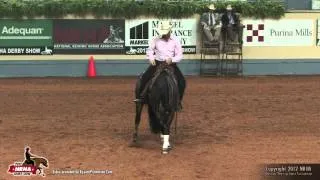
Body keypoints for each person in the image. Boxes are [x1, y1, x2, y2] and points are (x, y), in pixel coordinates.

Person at [134, 20, 186, 111]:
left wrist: (172, 60)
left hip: (171, 64)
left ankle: (178, 101)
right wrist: (151, 58)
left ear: (170, 31)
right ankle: (141, 98)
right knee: (145, 77)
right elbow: (150, 50)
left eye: (166, 33)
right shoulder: (155, 39)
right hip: (157, 63)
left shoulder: (175, 40)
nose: (164, 35)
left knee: (182, 81)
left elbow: (179, 54)